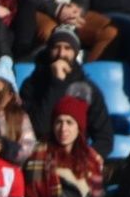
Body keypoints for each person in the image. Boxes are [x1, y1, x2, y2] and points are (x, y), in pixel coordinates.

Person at [18, 27, 114, 156]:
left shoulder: (87, 89)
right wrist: (56, 83)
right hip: (41, 156)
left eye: (67, 48)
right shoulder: (32, 85)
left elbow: (105, 138)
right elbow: (41, 129)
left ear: (75, 52)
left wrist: (88, 158)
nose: (61, 54)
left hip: (76, 158)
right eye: (56, 47)